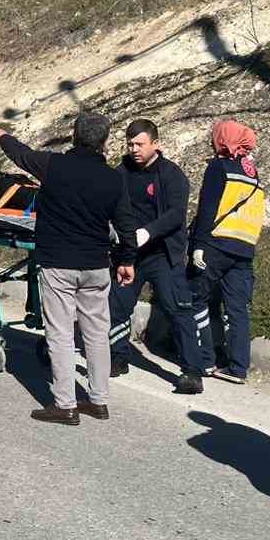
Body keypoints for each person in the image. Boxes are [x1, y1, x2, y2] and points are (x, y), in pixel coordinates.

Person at [0, 114, 137, 426]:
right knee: (97, 334)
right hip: (96, 265)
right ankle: (98, 400)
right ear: (105, 142)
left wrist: (3, 136)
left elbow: (22, 155)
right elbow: (125, 225)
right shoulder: (114, 179)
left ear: (74, 137)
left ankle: (65, 405)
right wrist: (127, 260)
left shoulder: (54, 165)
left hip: (59, 263)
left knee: (60, 333)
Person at [107, 119, 204, 392]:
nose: (134, 149)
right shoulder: (122, 171)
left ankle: (192, 373)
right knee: (118, 306)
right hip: (130, 255)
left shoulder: (172, 175)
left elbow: (175, 215)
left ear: (155, 144)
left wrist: (147, 232)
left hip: (163, 254)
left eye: (140, 144)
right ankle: (117, 358)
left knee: (178, 309)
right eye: (130, 144)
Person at [187, 119, 268, 385]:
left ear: (222, 139)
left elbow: (208, 208)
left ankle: (206, 360)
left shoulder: (218, 167)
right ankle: (237, 368)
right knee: (237, 309)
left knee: (197, 299)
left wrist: (198, 245)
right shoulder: (252, 172)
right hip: (244, 249)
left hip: (216, 245)